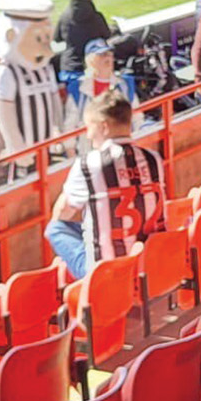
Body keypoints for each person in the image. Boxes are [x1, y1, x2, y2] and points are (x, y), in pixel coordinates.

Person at [44, 89, 164, 280]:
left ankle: (84, 283)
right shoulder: (154, 158)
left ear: (104, 127)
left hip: (107, 273)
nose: (88, 135)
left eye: (89, 127)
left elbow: (62, 212)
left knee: (55, 228)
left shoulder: (88, 164)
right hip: (153, 264)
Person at [54, 0, 113, 103]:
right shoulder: (96, 17)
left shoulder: (65, 16)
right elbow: (107, 35)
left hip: (69, 68)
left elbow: (57, 38)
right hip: (92, 69)